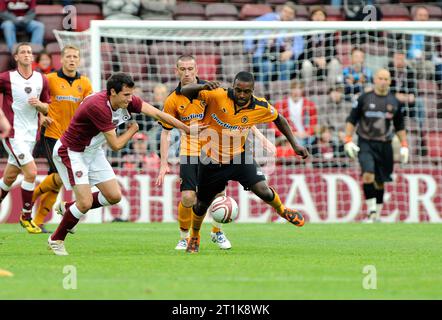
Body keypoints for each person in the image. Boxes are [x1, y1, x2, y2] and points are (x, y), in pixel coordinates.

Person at [47, 72, 193, 256]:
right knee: (84, 203)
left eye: (131, 94)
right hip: (73, 152)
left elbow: (158, 113)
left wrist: (187, 129)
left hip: (93, 151)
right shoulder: (98, 107)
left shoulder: (127, 100)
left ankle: (69, 208)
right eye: (126, 95)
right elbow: (115, 145)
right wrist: (132, 130)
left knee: (113, 196)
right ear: (112, 92)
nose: (130, 99)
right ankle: (56, 239)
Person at [181, 71, 309, 253]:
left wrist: (295, 144)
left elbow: (279, 119)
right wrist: (202, 86)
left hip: (239, 157)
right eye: (238, 90)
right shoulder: (217, 95)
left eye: (246, 91)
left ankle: (282, 210)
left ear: (252, 91)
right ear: (233, 86)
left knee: (264, 191)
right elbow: (185, 91)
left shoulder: (260, 106)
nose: (241, 95)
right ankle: (194, 236)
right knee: (201, 204)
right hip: (211, 159)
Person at [156, 55, 233, 250]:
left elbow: (229, 114)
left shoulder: (210, 91)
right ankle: (184, 236)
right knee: (189, 198)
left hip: (213, 149)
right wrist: (164, 163)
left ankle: (216, 232)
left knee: (219, 193)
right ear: (176, 71)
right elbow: (165, 133)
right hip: (189, 151)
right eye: (183, 69)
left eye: (190, 68)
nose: (187, 73)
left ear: (197, 69)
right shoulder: (172, 100)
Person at [31, 45, 93, 234]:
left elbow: (90, 108)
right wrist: (42, 114)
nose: (72, 59)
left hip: (74, 139)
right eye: (68, 56)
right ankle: (30, 200)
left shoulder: (85, 83)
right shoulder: (49, 80)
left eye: (75, 56)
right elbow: (36, 101)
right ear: (62, 60)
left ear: (79, 60)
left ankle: (37, 220)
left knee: (57, 181)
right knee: (59, 177)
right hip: (52, 135)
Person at [344, 69, 409, 223]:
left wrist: (404, 145)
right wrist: (348, 139)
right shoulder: (364, 98)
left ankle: (377, 214)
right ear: (374, 79)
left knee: (380, 181)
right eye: (380, 78)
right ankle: (371, 211)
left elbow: (399, 126)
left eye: (386, 79)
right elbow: (352, 120)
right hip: (365, 142)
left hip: (385, 145)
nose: (383, 81)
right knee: (368, 175)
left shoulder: (395, 102)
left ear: (390, 81)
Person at [0, 42, 50, 234]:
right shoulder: (7, 78)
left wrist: (40, 106)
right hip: (13, 134)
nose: (28, 54)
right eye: (23, 52)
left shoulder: (41, 79)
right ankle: (26, 216)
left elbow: (47, 106)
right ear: (16, 57)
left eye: (30, 52)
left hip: (31, 135)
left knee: (10, 177)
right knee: (31, 172)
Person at [244, 1, 303, 83]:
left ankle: (282, 93)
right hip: (263, 55)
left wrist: (291, 52)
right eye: (285, 11)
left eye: (290, 13)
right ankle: (258, 91)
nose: (286, 14)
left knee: (287, 65)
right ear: (281, 11)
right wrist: (249, 47)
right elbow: (249, 28)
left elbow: (299, 44)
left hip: (283, 57)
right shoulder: (269, 18)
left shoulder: (295, 26)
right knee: (267, 66)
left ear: (293, 16)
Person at [299, 6, 342, 84]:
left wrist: (325, 59)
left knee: (335, 63)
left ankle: (331, 87)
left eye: (320, 15)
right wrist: (315, 59)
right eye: (315, 15)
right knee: (306, 64)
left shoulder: (329, 32)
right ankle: (307, 89)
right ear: (311, 17)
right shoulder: (306, 32)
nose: (318, 17)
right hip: (312, 61)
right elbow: (304, 52)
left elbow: (333, 51)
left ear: (324, 18)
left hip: (325, 62)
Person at [273, 80, 318, 153]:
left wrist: (307, 133)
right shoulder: (281, 105)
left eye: (299, 88)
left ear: (302, 90)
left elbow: (314, 124)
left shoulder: (310, 105)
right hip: (289, 136)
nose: (296, 91)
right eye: (294, 88)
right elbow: (274, 125)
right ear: (290, 90)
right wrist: (292, 133)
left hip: (306, 137)